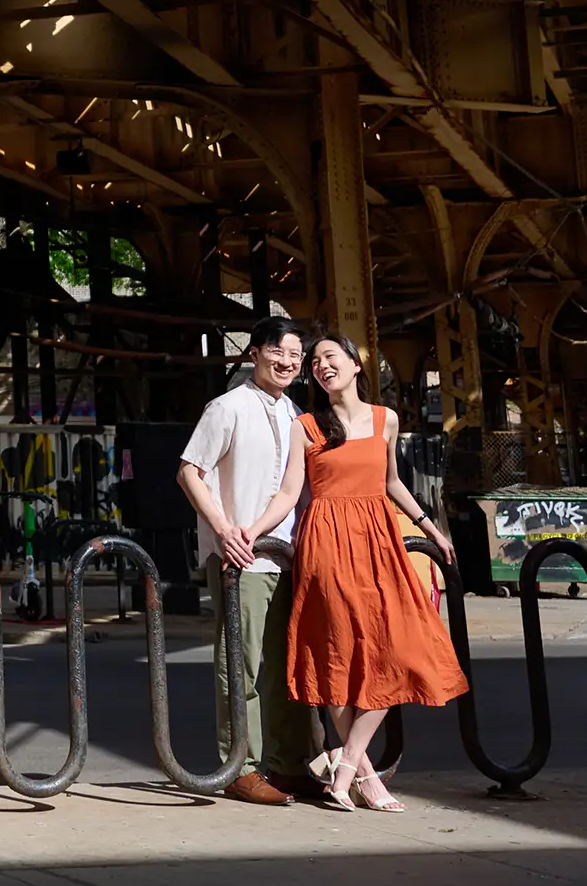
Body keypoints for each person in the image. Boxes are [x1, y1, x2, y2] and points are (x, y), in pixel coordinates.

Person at [270, 331, 467, 813]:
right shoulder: (307, 426)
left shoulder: (386, 420)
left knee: (398, 647)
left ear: (356, 365)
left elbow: (391, 482)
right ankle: (366, 780)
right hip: (327, 543)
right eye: (314, 361)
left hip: (378, 541)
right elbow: (289, 492)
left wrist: (431, 527)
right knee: (336, 653)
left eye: (328, 356)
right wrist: (246, 531)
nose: (320, 365)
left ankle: (347, 765)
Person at [176, 316, 317, 806]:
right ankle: (242, 765)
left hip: (288, 555)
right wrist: (222, 529)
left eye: (296, 357)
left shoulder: (294, 413)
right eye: (278, 351)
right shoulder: (227, 407)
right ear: (255, 352)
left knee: (286, 665)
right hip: (242, 559)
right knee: (241, 664)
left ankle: (289, 763)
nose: (287, 362)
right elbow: (189, 472)